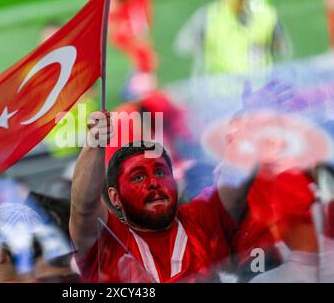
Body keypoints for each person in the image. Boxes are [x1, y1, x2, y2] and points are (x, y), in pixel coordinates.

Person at [70, 111, 253, 283]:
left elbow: (236, 179)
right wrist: (95, 143)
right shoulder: (107, 246)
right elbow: (84, 209)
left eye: (160, 172)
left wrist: (254, 123)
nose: (153, 183)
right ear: (115, 196)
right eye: (138, 177)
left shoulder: (201, 219)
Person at [174, 0, 291, 77]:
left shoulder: (266, 17)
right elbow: (184, 45)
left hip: (258, 94)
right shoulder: (207, 17)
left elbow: (283, 51)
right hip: (219, 94)